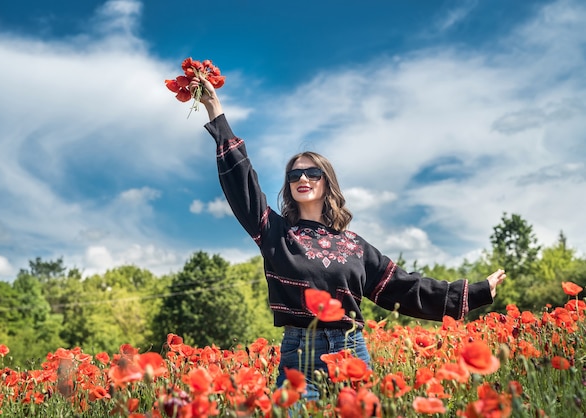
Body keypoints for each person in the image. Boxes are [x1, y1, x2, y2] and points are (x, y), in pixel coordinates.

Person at [190, 77, 506, 399]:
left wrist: (478, 291)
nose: (303, 178)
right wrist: (215, 110)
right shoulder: (276, 233)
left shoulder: (355, 246)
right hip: (299, 355)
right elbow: (242, 185)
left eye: (312, 173)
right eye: (294, 174)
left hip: (352, 352)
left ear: (327, 183)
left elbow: (405, 288)